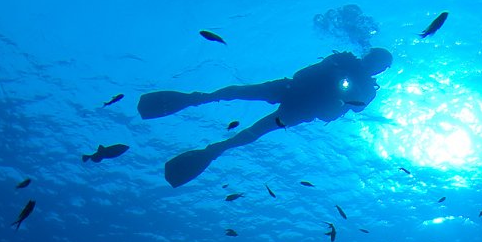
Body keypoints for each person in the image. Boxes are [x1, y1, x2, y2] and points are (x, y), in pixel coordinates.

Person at [137, 48, 393, 188]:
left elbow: (355, 107)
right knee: (239, 92)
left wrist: (351, 88)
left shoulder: (368, 89)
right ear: (368, 55)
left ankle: (213, 151)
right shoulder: (344, 58)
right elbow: (315, 68)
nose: (375, 65)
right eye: (376, 59)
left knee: (255, 131)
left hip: (299, 110)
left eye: (381, 64)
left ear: (382, 70)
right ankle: (196, 98)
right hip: (292, 90)